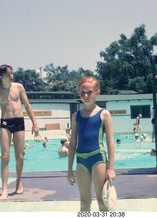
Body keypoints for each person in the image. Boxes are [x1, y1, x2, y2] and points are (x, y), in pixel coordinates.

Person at [0, 64, 41, 200]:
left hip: (19, 122)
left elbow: (27, 105)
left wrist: (35, 123)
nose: (11, 76)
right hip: (5, 123)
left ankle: (18, 181)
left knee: (19, 156)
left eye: (12, 73)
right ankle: (4, 190)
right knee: (5, 156)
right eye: (9, 74)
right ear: (1, 76)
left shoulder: (19, 87)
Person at [67, 76, 115, 211]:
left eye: (89, 92)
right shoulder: (76, 116)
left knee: (102, 201)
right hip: (81, 161)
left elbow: (110, 142)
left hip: (98, 159)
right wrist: (69, 169)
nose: (86, 95)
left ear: (97, 91)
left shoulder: (104, 114)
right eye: (82, 92)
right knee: (84, 202)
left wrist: (110, 168)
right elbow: (72, 143)